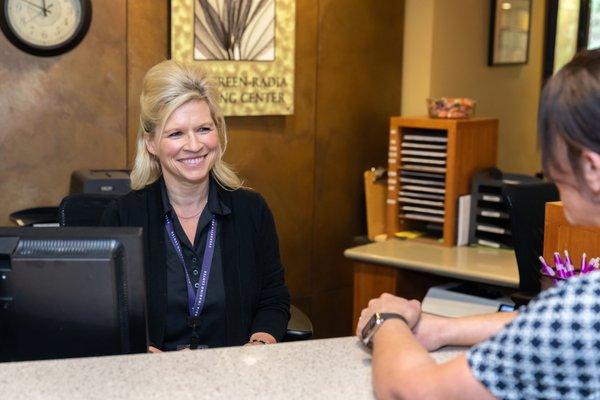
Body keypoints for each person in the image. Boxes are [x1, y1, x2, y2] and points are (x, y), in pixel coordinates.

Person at [356, 48, 600, 399]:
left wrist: (385, 323)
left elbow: (412, 392)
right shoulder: (573, 316)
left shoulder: (584, 308)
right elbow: (542, 326)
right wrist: (442, 329)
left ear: (590, 168)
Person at [102, 60, 290, 351]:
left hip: (236, 376)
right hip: (153, 382)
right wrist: (143, 355)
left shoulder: (251, 210)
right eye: (176, 133)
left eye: (203, 128)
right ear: (151, 142)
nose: (193, 145)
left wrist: (259, 344)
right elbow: (109, 315)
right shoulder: (123, 216)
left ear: (218, 131)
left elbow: (273, 298)